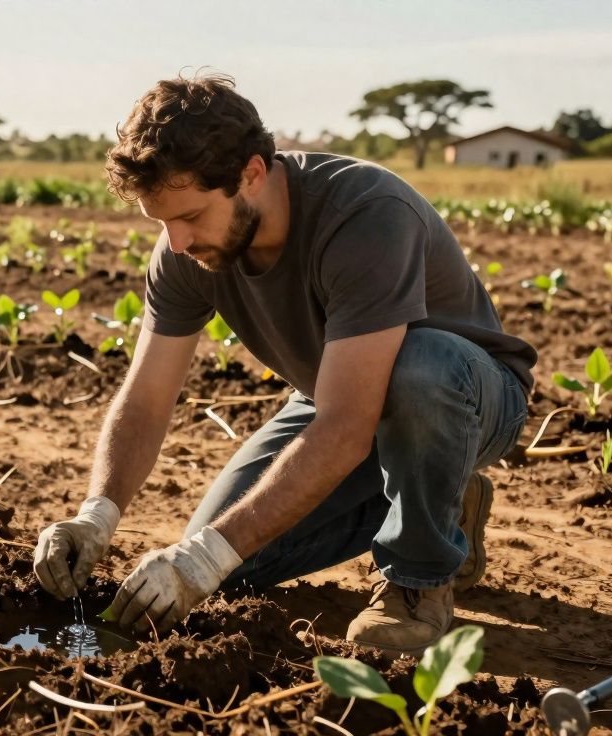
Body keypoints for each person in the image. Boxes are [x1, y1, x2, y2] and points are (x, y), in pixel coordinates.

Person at [32, 73, 536, 655]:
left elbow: (348, 425)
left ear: (251, 173)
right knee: (226, 566)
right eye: (161, 222)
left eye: (191, 216)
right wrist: (96, 516)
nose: (176, 242)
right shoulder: (182, 253)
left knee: (418, 366)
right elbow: (145, 399)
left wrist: (206, 556)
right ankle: (446, 503)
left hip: (467, 397)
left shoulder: (366, 213)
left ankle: (417, 579)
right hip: (335, 398)